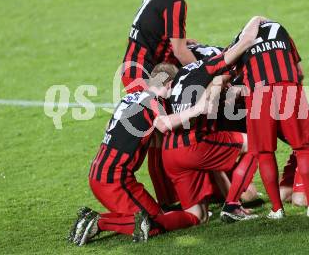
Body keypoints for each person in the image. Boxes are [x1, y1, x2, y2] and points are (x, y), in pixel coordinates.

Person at [68, 63, 211, 246]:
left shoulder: (130, 98)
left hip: (100, 172)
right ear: (168, 84)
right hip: (115, 179)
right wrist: (197, 109)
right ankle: (98, 221)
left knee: (155, 217)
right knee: (152, 224)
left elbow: (109, 127)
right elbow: (163, 124)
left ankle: (93, 219)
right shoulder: (154, 101)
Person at [158, 16, 266, 234]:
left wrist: (222, 89)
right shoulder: (210, 67)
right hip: (194, 146)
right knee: (258, 142)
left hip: (170, 152)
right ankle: (233, 206)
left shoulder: (180, 78)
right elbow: (244, 42)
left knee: (197, 216)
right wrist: (257, 20)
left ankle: (149, 222)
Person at [220, 20, 309, 222]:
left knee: (264, 153)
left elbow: (229, 74)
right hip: (288, 88)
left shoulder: (240, 38)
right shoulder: (281, 29)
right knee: (303, 147)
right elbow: (300, 71)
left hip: (258, 93)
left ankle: (277, 209)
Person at [121, 0, 216, 93]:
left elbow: (149, 24)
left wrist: (174, 41)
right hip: (144, 74)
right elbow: (180, 53)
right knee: (165, 112)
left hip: (131, 66)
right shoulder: (176, 2)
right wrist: (204, 77)